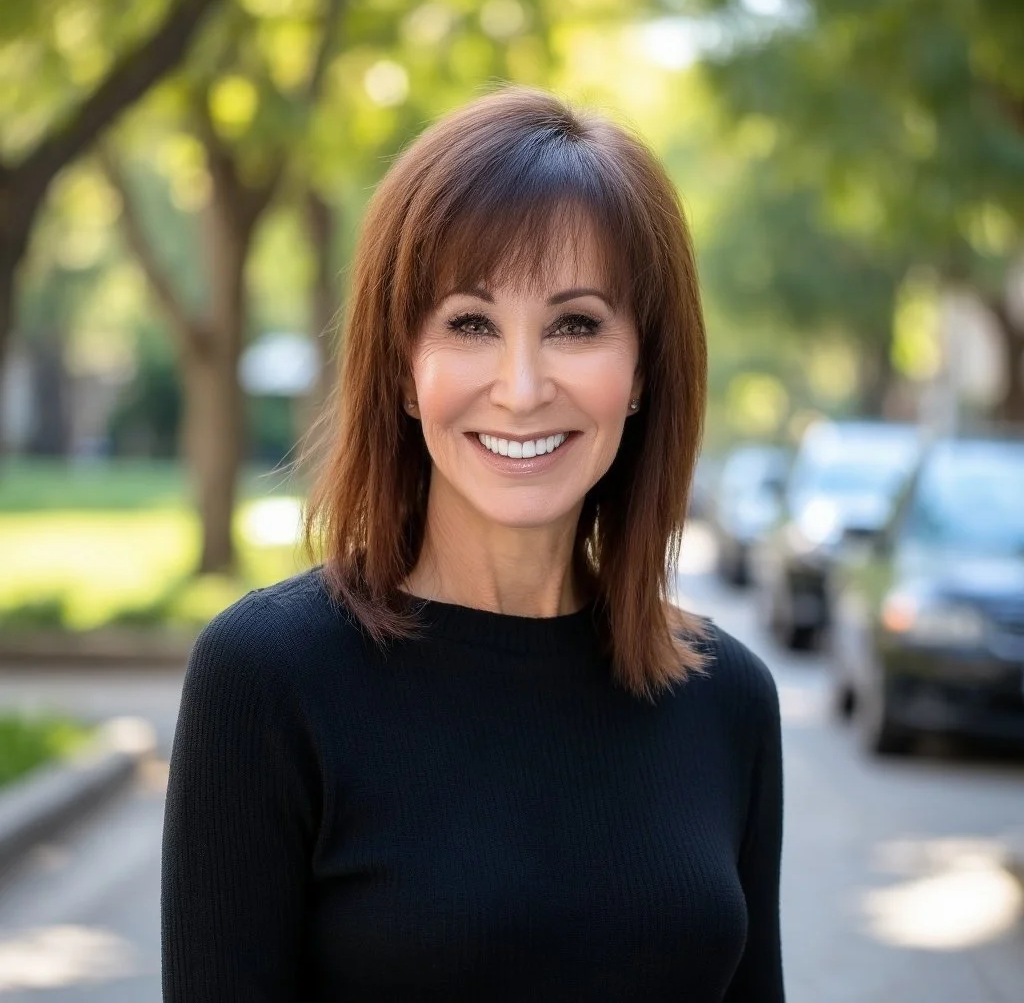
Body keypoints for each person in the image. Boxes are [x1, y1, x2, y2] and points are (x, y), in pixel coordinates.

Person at [161, 86, 784, 1002]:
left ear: (643, 368)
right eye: (470, 324)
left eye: (576, 325)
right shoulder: (268, 681)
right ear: (407, 373)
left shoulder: (728, 700)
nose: (522, 387)